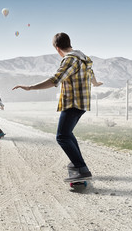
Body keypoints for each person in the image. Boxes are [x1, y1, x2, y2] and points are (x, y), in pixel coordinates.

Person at [12, 32, 102, 181]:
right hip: (83, 103)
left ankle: (81, 169)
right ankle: (78, 165)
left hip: (72, 102)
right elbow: (91, 73)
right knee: (68, 134)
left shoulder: (70, 59)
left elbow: (55, 80)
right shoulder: (84, 58)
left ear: (57, 48)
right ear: (69, 43)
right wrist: (95, 83)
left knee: (62, 136)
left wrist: (30, 87)